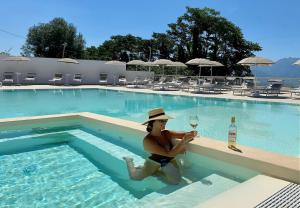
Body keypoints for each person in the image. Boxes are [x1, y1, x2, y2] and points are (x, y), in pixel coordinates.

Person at [123, 108, 197, 185]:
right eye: (161, 121)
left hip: (168, 161)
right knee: (135, 177)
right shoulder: (148, 140)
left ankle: (155, 172)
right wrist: (184, 140)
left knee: (176, 181)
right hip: (153, 162)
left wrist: (191, 133)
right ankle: (129, 161)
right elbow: (169, 154)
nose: (164, 123)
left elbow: (183, 135)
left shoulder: (166, 133)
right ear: (152, 122)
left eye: (165, 120)